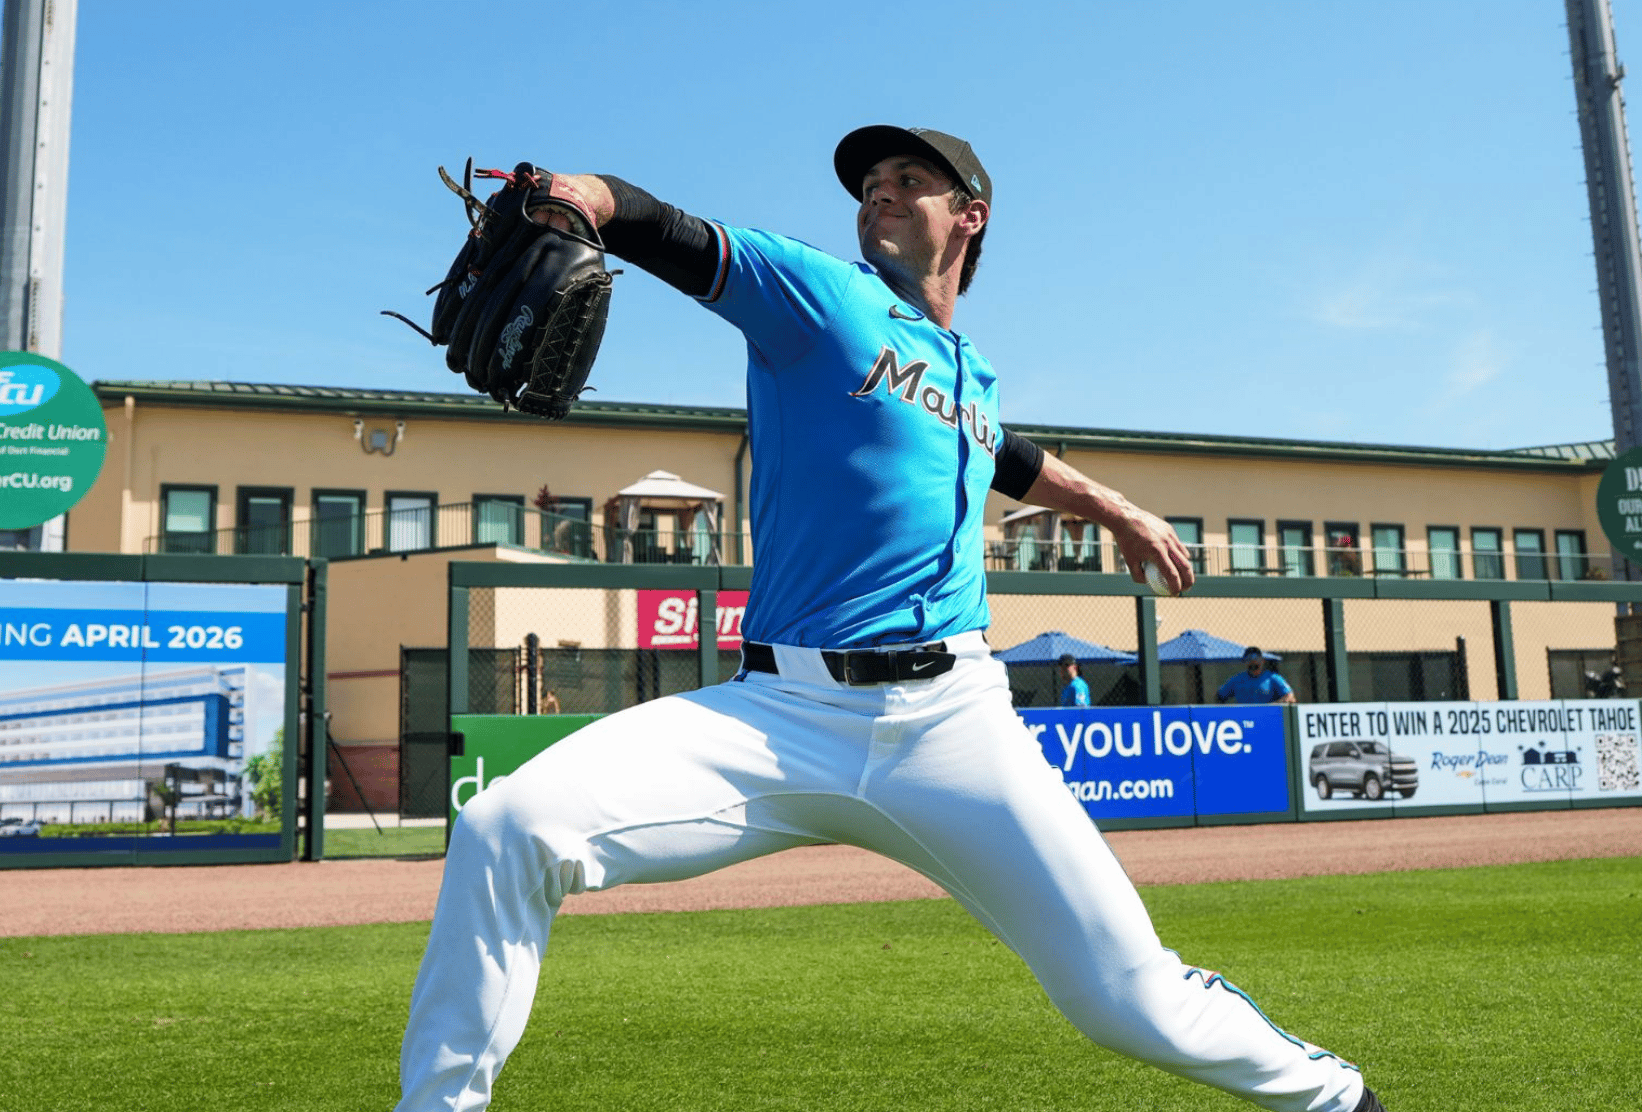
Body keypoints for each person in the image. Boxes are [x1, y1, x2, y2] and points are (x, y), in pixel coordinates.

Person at [395, 125, 1385, 1112]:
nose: (880, 191)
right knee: (505, 827)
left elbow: (1006, 453)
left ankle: (1337, 1098)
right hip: (778, 715)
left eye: (911, 179)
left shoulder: (967, 373)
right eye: (871, 181)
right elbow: (676, 234)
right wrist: (589, 198)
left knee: (1127, 1000)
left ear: (970, 215)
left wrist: (1116, 507)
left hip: (952, 724)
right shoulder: (822, 297)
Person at [1217, 646, 1297, 705]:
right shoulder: (1237, 680)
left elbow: (1290, 698)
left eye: (1255, 658)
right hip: (1244, 718)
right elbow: (1220, 696)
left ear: (1263, 660)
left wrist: (1271, 707)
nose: (1252, 661)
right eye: (1248, 659)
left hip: (1268, 717)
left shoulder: (1273, 678)